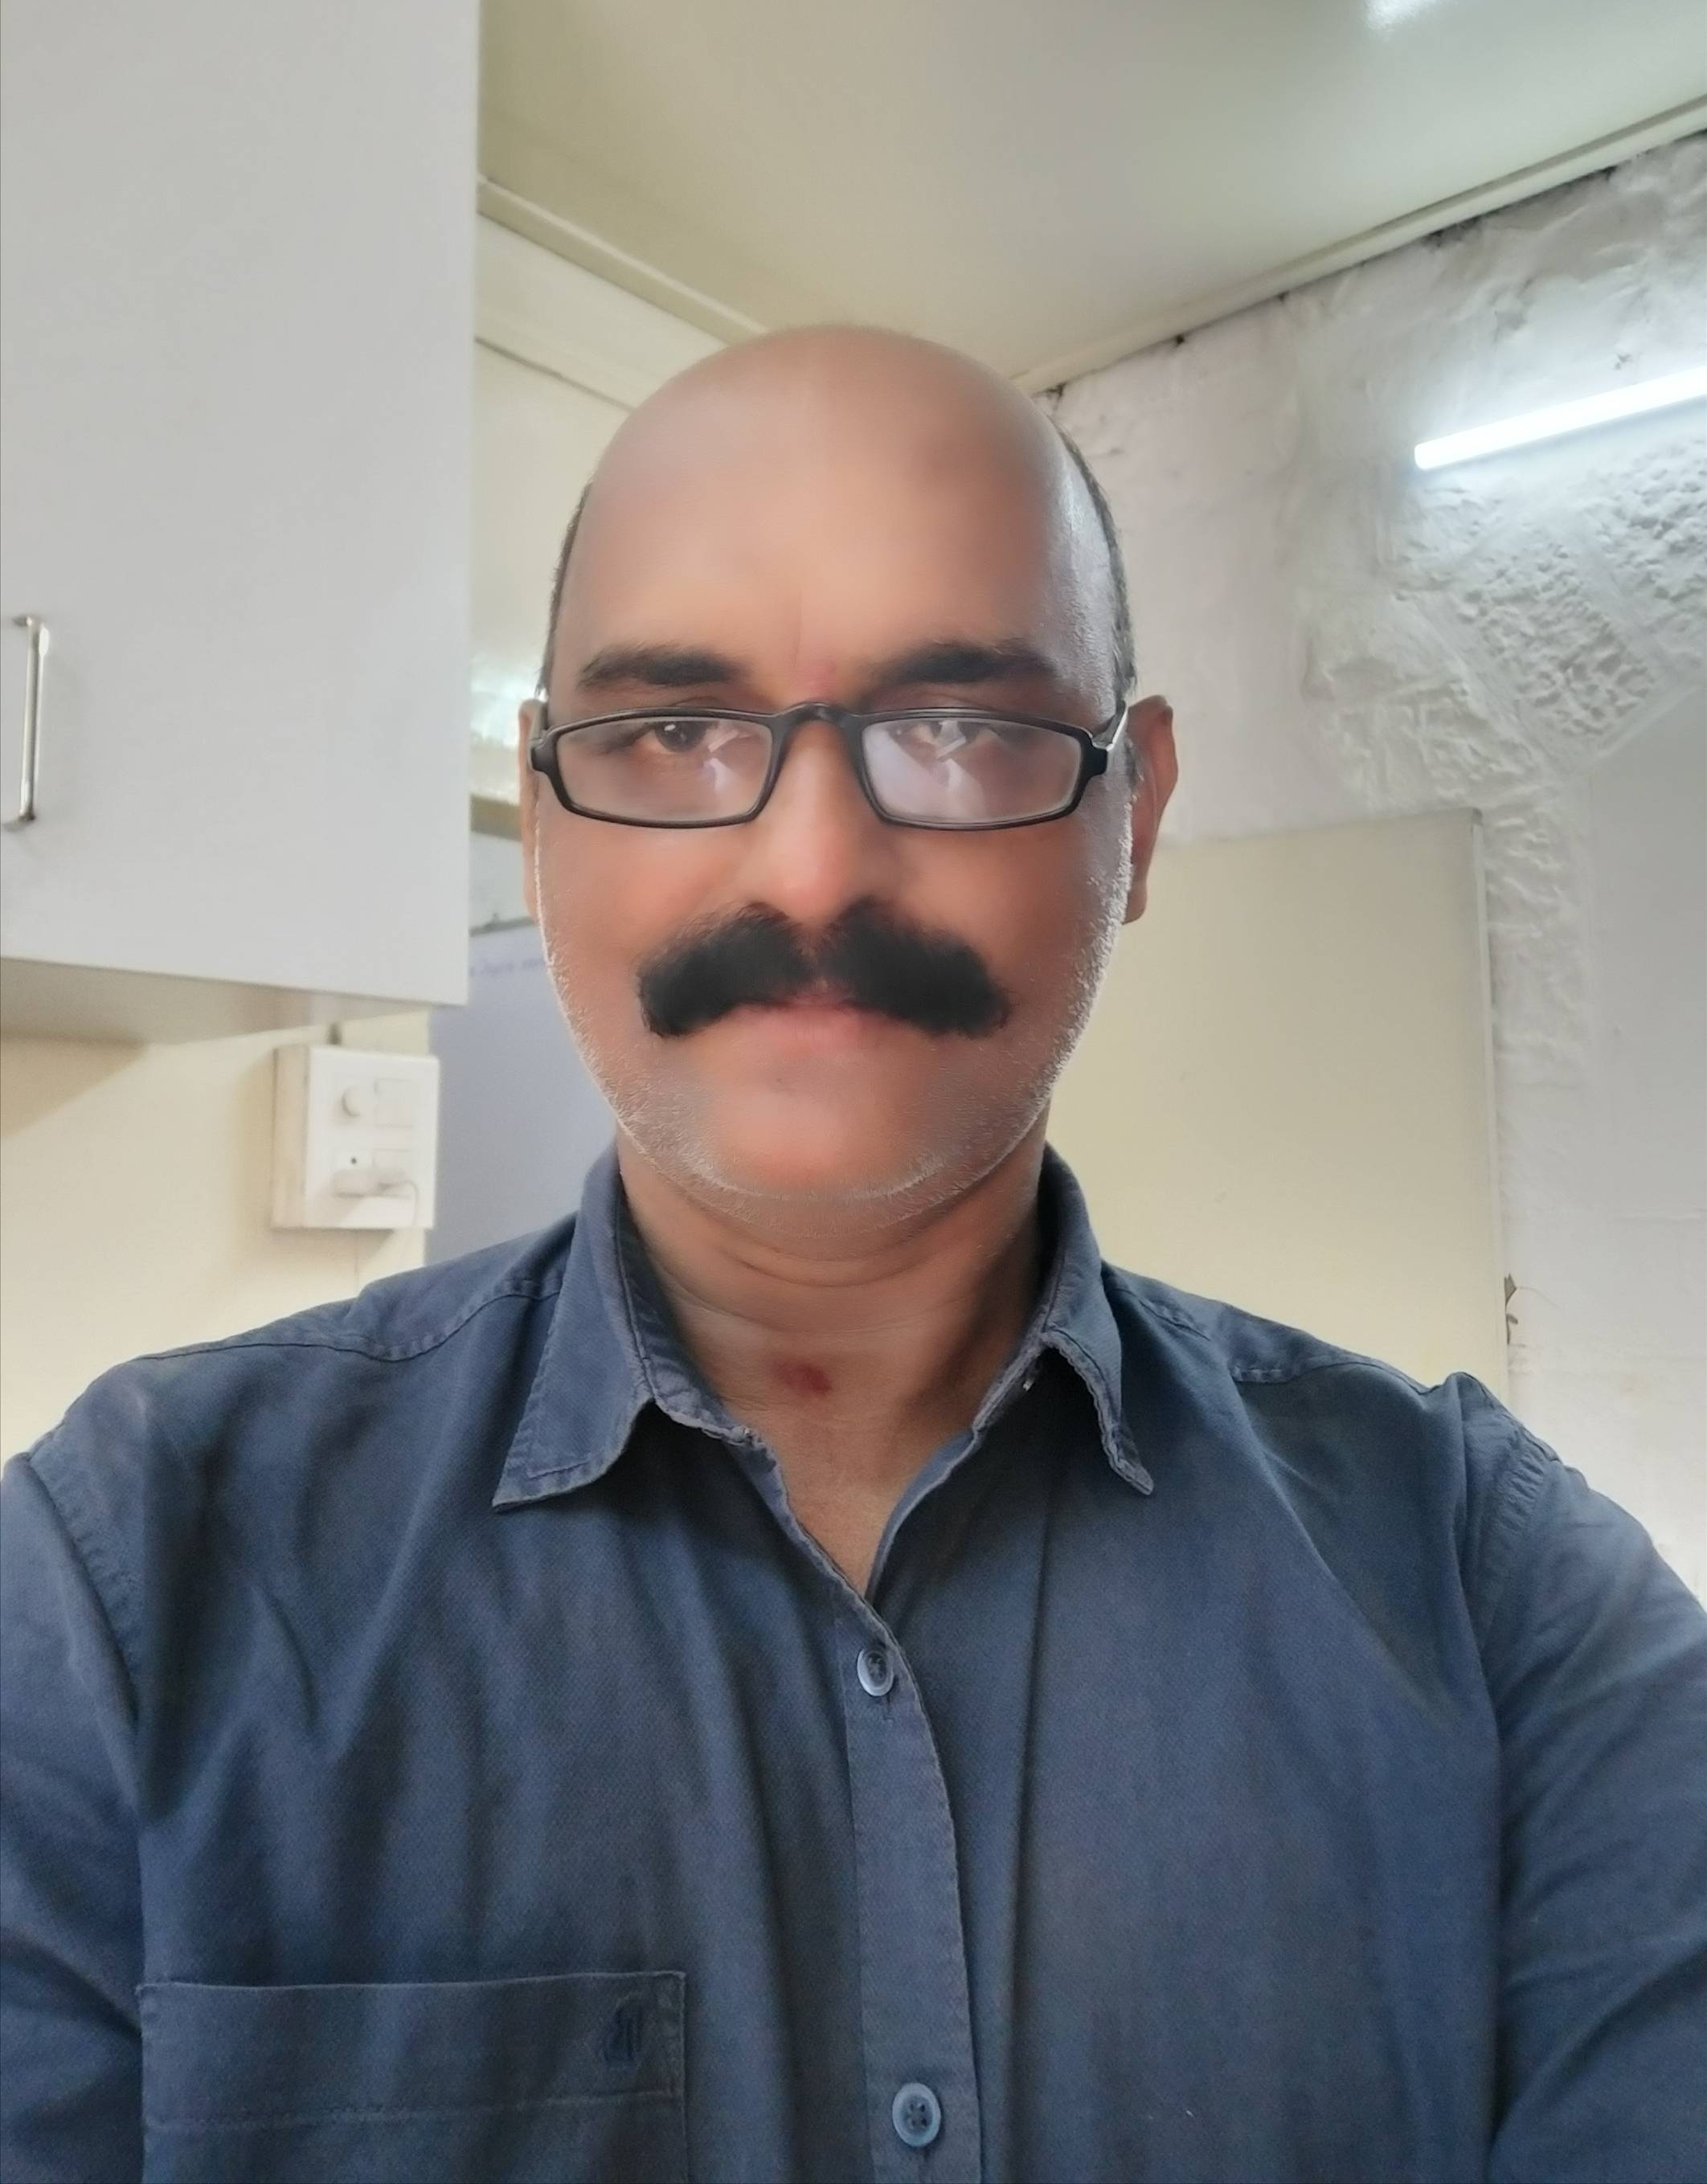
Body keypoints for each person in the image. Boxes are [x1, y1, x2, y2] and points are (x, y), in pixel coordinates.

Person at [2, 325, 1701, 2184]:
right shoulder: (117, 1596)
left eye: (960, 730)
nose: (811, 873)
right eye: (672, 732)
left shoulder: (1507, 1608)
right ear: (544, 815)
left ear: (1136, 813)